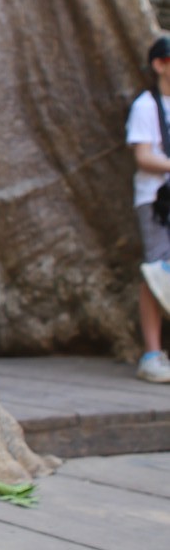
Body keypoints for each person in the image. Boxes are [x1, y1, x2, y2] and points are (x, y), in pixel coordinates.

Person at [126, 32, 170, 382]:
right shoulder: (146, 106)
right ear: (159, 64)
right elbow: (143, 157)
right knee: (156, 271)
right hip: (156, 201)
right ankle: (152, 353)